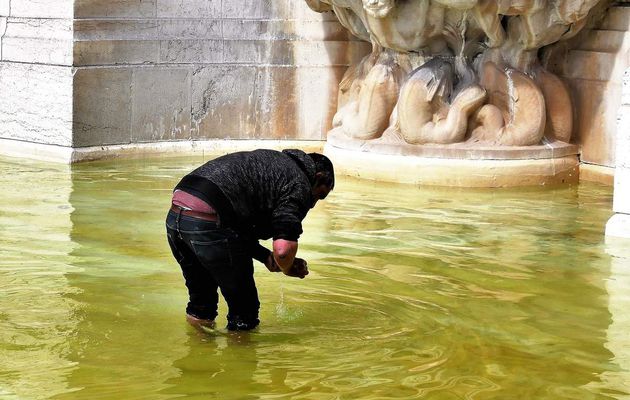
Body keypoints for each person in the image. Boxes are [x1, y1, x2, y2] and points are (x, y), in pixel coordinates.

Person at [165, 149, 335, 332]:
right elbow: (283, 250)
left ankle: (198, 352)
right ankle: (240, 357)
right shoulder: (299, 182)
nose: (313, 203)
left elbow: (235, 227)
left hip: (176, 215)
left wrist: (265, 256)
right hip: (210, 219)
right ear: (317, 176)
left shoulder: (271, 163)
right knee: (244, 311)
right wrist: (286, 267)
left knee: (201, 303)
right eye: (320, 194)